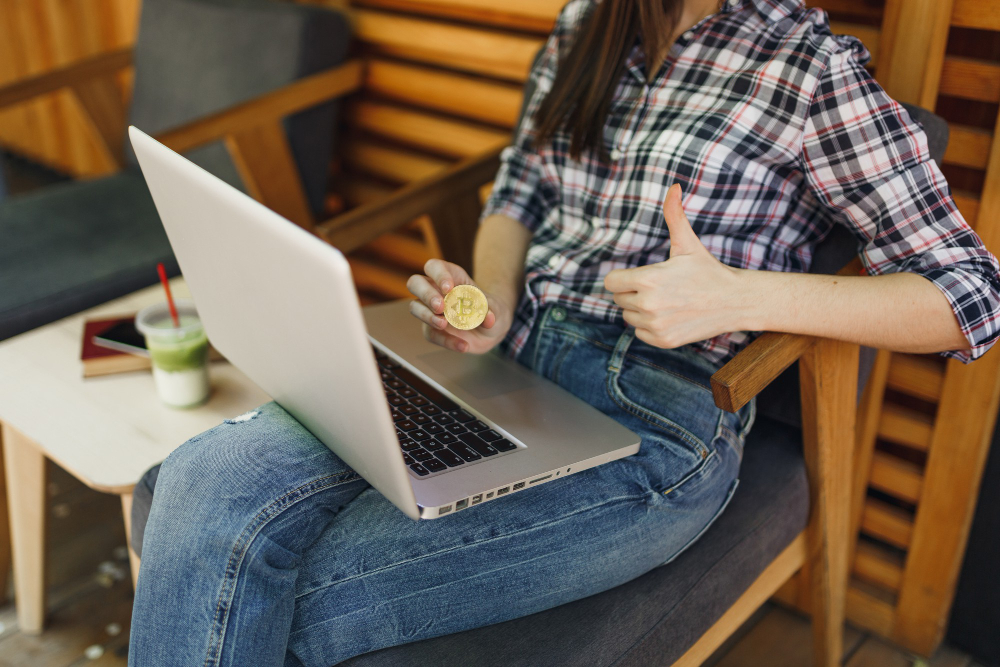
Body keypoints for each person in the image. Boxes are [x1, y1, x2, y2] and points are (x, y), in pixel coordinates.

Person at [128, 0, 1000, 665]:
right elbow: (518, 193)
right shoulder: (588, 23)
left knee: (262, 592)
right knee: (204, 476)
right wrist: (494, 298)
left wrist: (739, 296)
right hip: (495, 369)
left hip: (649, 422)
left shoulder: (808, 69)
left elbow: (970, 296)